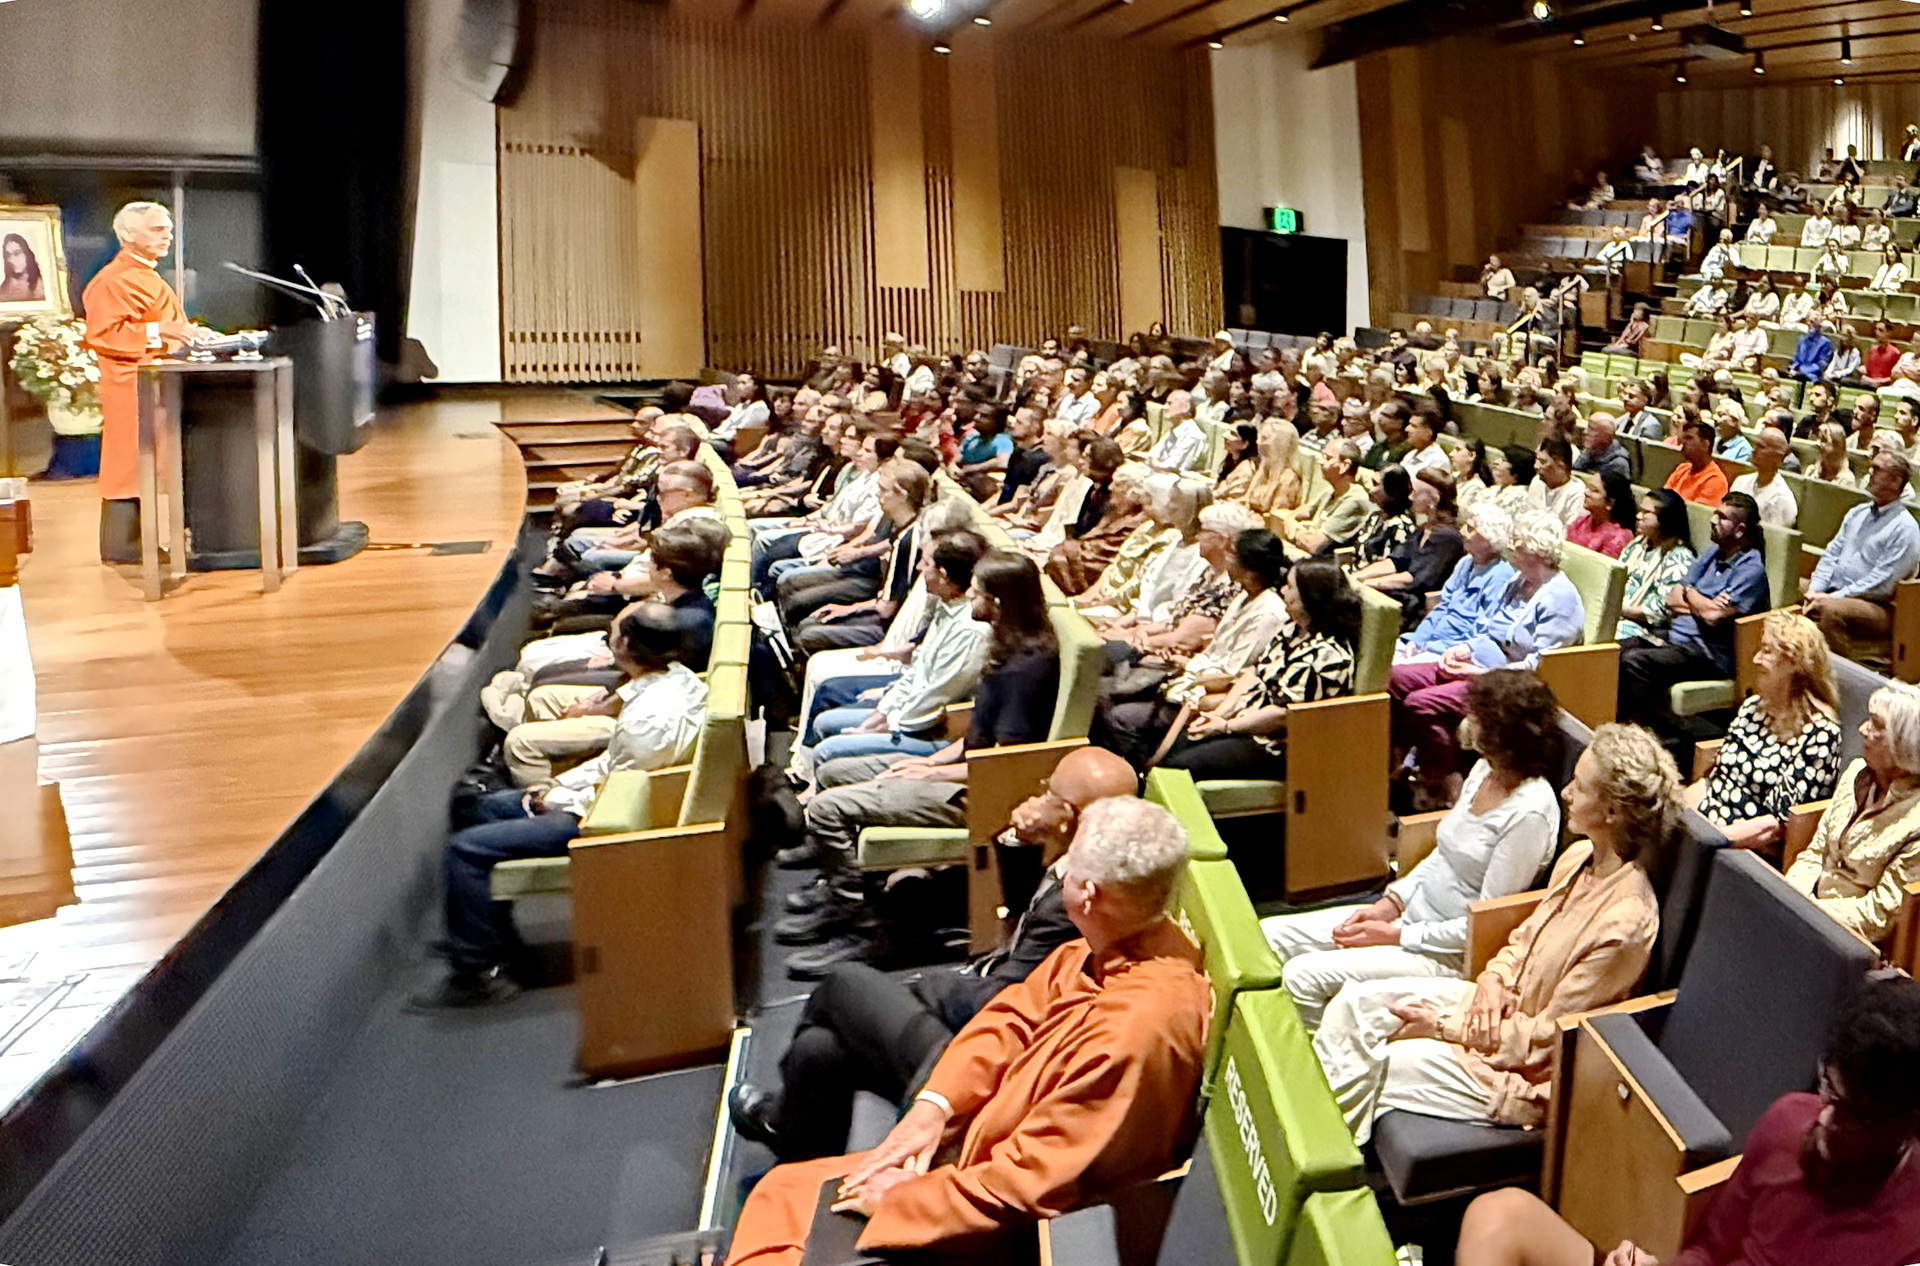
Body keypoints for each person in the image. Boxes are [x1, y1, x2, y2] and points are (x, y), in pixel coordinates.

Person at [722, 798, 1211, 1266]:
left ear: (1087, 895)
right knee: (813, 1074)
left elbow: (1032, 1185)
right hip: (973, 1159)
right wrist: (934, 1109)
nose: (1059, 872)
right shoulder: (1106, 946)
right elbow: (1009, 1018)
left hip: (1001, 1229)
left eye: (1067, 867)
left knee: (785, 1207)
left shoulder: (1136, 1032)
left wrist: (903, 1200)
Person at [729, 746, 1141, 1161]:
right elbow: (1022, 925)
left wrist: (931, 988)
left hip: (984, 1062)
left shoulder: (1084, 902)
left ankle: (791, 1128)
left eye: (1047, 791)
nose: (1037, 797)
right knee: (819, 1050)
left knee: (844, 984)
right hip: (984, 1016)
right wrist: (1018, 838)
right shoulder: (1092, 863)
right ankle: (798, 1154)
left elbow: (1008, 996)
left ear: (1069, 816)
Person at [1315, 722, 1674, 1144]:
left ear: (1612, 812)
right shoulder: (1578, 856)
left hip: (1520, 1072)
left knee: (1376, 1061)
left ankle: (1325, 1167)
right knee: (1353, 1005)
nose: (1566, 793)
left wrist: (1444, 1026)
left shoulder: (1626, 924)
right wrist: (1491, 980)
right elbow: (1523, 939)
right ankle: (1312, 1139)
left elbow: (1548, 1041)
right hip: (1491, 1013)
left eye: (1579, 786)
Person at [1454, 974, 1920, 1266]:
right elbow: (1710, 1250)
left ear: (1907, 1125)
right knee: (1500, 1215)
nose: (1827, 1119)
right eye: (1827, 1090)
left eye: (1856, 1115)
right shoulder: (1789, 1120)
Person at [411, 606, 708, 1009]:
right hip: (604, 799)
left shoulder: (647, 719)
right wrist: (555, 787)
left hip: (601, 821)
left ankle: (478, 973)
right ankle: (489, 939)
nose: (609, 634)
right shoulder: (678, 681)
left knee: (466, 850)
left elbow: (621, 789)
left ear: (624, 646)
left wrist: (550, 799)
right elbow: (613, 767)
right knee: (474, 808)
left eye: (614, 631)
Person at [780, 551, 1061, 975]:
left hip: (977, 794)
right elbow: (975, 736)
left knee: (825, 808)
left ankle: (863, 926)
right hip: (960, 772)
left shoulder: (1026, 670)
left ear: (998, 603)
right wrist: (934, 764)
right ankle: (846, 893)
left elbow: (1003, 765)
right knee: (834, 770)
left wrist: (934, 772)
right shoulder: (1006, 648)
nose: (969, 597)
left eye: (977, 592)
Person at [1262, 670, 1562, 1026]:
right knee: (1271, 935)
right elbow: (1442, 855)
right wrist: (1390, 905)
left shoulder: (1529, 814)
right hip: (1407, 920)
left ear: (1502, 734)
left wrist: (1396, 935)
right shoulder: (1484, 770)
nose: (1466, 725)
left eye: (1476, 719)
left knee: (1303, 976)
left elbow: (1483, 924)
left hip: (1443, 954)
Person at [1390, 511, 1584, 805]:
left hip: (1508, 685)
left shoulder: (1560, 598)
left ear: (1536, 552)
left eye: (1518, 544)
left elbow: (1541, 666)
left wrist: (1476, 671)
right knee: (1395, 679)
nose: (1511, 549)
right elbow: (1487, 627)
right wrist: (1464, 649)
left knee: (1421, 703)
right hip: (1477, 663)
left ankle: (1447, 778)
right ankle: (1400, 766)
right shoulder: (1517, 581)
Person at [81, 202, 213, 563]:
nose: (167, 235)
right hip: (130, 384)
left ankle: (140, 542)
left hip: (156, 382)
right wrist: (163, 330)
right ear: (127, 235)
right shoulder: (112, 280)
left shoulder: (146, 274)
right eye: (157, 229)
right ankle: (122, 545)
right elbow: (105, 334)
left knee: (149, 465)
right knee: (128, 464)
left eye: (168, 229)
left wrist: (188, 334)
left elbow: (164, 323)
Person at [1154, 559, 1360, 781]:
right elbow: (1254, 673)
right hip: (1247, 722)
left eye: (1290, 587)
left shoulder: (1328, 654)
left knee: (1178, 768)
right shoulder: (1292, 629)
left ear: (1310, 597)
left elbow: (1283, 715)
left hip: (1279, 746)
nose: (1282, 590)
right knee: (1179, 743)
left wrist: (1226, 726)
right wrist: (1219, 714)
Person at [1686, 611, 1844, 854]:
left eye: (1767, 651)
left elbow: (1777, 826)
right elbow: (1713, 782)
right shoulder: (1753, 708)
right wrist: (1676, 815)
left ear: (1794, 662)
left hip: (1744, 846)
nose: (1756, 659)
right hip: (1706, 825)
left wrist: (1711, 839)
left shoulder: (1820, 736)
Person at [1618, 492, 1768, 742]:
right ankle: (1629, 729)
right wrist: (1696, 597)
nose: (1712, 520)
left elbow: (1711, 617)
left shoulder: (1751, 570)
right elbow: (1673, 599)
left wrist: (1692, 597)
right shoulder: (1712, 552)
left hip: (1709, 654)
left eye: (1721, 517)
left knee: (1635, 663)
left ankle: (1673, 736)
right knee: (1616, 652)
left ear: (1740, 530)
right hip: (1676, 638)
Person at [1785, 681, 1920, 947]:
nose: (1862, 729)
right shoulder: (1855, 773)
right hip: (1806, 911)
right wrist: (1789, 900)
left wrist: (1809, 917)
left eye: (1876, 725)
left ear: (1904, 743)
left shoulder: (1915, 822)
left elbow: (1877, 916)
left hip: (1851, 940)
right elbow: (1815, 853)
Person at [1805, 450, 1920, 664]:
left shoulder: (1905, 528)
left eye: (1877, 470)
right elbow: (1832, 553)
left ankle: (1837, 676)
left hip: (1876, 605)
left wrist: (1833, 597)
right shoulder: (1857, 512)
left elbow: (1882, 583)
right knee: (1797, 588)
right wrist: (1816, 588)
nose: (1869, 473)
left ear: (1896, 482)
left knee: (1831, 610)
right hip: (1837, 590)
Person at [1398, 504, 1518, 662]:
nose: (1461, 532)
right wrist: (1418, 640)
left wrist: (1438, 648)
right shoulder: (1465, 563)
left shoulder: (1500, 575)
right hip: (1429, 641)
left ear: (1488, 540)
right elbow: (1442, 606)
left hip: (1452, 652)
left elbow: (1483, 630)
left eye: (1470, 528)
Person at [1615, 489, 1698, 644]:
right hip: (1618, 613)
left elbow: (1661, 611)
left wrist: (1618, 609)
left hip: (1643, 628)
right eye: (1640, 510)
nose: (1639, 516)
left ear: (1665, 519)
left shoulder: (1679, 556)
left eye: (1646, 512)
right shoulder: (1637, 544)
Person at [1730, 425, 1797, 527]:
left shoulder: (1781, 500)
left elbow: (1773, 539)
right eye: (1755, 444)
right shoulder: (1740, 481)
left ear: (1778, 457)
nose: (1753, 450)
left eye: (1761, 446)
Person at [1566, 471, 1635, 558]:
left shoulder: (1619, 536)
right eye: (1588, 487)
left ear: (1610, 503)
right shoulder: (1580, 521)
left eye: (1595, 491)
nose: (1586, 493)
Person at [1664, 417, 1730, 507]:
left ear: (1705, 444)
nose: (1683, 442)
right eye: (1683, 438)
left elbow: (1697, 515)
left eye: (1689, 438)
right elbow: (1663, 499)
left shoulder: (1715, 480)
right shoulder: (1681, 468)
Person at [1524, 438, 1583, 527]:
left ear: (1561, 466)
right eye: (1537, 460)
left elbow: (1570, 531)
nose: (1536, 466)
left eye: (1543, 462)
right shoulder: (1537, 482)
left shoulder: (1578, 492)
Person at [0, 233, 43, 302]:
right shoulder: (5, 287)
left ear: (27, 255)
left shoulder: (41, 286)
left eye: (16, 253)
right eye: (8, 255)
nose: (11, 260)